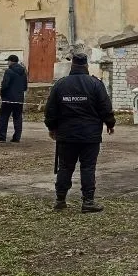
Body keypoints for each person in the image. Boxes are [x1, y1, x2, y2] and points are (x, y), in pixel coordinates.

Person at [44, 52, 115, 213]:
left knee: (65, 167)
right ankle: (88, 201)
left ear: (72, 65)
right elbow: (105, 107)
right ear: (86, 65)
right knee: (88, 167)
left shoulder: (60, 84)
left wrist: (51, 128)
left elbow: (51, 110)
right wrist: (110, 123)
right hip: (90, 136)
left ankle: (60, 200)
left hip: (66, 135)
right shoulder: (95, 84)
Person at [0, 54, 28, 143]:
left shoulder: (9, 71)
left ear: (11, 61)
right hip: (19, 98)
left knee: (3, 117)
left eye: (8, 61)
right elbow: (25, 86)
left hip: (8, 98)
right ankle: (17, 137)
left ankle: (1, 136)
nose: (7, 63)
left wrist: (2, 94)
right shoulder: (23, 72)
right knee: (17, 118)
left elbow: (5, 85)